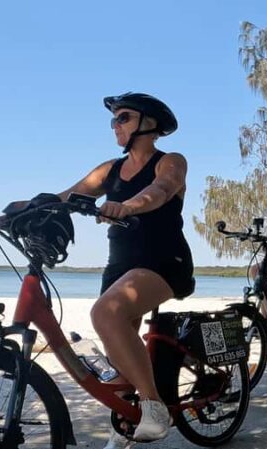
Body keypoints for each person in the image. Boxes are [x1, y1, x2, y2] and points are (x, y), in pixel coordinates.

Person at [55, 92, 194, 447]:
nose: (115, 125)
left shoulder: (170, 161)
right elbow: (64, 198)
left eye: (123, 117)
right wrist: (3, 217)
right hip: (120, 267)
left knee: (106, 312)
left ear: (150, 123)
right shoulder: (110, 170)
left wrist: (127, 206)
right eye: (113, 119)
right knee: (120, 356)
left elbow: (161, 190)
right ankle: (125, 428)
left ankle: (154, 406)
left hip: (164, 261)